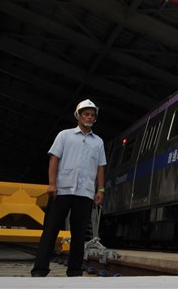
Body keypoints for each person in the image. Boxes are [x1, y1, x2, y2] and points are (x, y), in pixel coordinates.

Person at [31, 99, 107, 277]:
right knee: (50, 230)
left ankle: (74, 270)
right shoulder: (64, 136)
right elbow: (54, 159)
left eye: (92, 115)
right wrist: (52, 184)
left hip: (85, 193)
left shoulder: (99, 142)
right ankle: (40, 270)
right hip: (62, 190)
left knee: (79, 234)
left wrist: (101, 190)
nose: (89, 117)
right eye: (86, 114)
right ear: (78, 116)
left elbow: (100, 167)